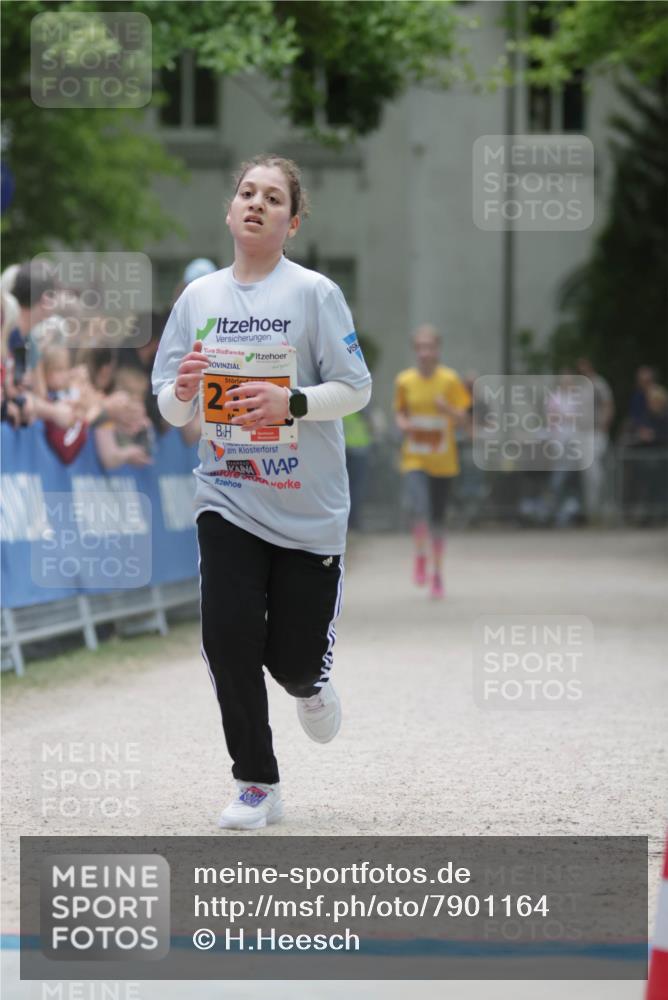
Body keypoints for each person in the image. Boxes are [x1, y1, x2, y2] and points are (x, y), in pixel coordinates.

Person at [151, 155, 372, 830]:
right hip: (228, 495)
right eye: (246, 192)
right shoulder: (199, 299)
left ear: (292, 222)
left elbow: (356, 388)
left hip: (307, 509)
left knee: (291, 661)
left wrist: (291, 402)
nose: (256, 203)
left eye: (273, 198)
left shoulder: (314, 294)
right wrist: (182, 390)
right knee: (228, 637)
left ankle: (311, 682)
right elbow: (169, 405)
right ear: (229, 211)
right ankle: (256, 782)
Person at [393, 325, 470, 598]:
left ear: (438, 350)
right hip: (415, 457)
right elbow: (400, 413)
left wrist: (447, 409)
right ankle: (420, 556)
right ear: (415, 351)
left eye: (429, 347)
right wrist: (403, 424)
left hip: (444, 461)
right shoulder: (404, 380)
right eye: (420, 347)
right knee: (419, 508)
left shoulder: (450, 380)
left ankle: (437, 574)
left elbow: (464, 419)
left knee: (437, 519)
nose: (424, 352)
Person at [575, 357, 614, 521]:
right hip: (582, 433)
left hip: (595, 432)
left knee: (594, 470)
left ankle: (602, 506)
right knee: (586, 472)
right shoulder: (580, 386)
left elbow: (608, 404)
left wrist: (604, 426)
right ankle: (591, 510)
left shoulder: (599, 384)